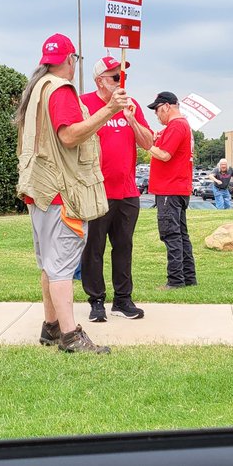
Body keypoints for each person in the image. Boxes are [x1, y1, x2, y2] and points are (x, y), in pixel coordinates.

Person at [16, 33, 127, 353]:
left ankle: (50, 328)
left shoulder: (37, 88)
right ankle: (70, 336)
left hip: (40, 190)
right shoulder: (61, 90)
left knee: (50, 265)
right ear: (70, 61)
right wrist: (108, 111)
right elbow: (68, 136)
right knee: (62, 267)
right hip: (62, 192)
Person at [78, 56, 152, 322]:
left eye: (124, 77)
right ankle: (96, 301)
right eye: (116, 77)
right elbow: (74, 137)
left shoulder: (131, 105)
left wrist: (131, 119)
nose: (122, 82)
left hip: (127, 191)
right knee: (93, 249)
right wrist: (109, 110)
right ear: (100, 80)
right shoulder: (85, 103)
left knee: (124, 247)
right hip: (96, 190)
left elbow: (148, 143)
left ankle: (123, 300)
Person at [148, 91, 197, 289]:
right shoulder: (181, 125)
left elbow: (165, 155)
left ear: (167, 106)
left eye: (158, 110)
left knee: (171, 235)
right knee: (181, 234)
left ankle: (176, 280)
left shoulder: (176, 125)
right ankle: (188, 277)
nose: (157, 115)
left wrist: (146, 145)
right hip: (179, 188)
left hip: (170, 188)